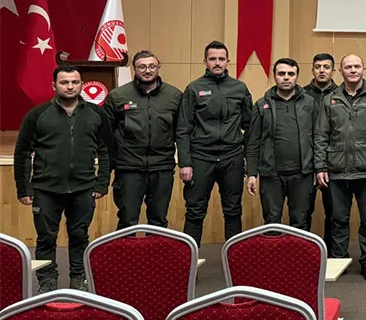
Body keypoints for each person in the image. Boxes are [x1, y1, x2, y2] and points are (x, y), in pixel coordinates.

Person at [14, 64, 112, 292]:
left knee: (79, 236)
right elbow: (22, 153)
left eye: (75, 82)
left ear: (82, 85)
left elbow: (107, 150)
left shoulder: (96, 114)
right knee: (46, 238)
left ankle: (78, 278)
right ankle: (47, 281)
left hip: (84, 188)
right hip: (45, 189)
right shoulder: (37, 115)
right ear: (54, 85)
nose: (70, 86)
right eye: (64, 82)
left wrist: (102, 183)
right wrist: (24, 188)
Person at [314, 54, 366, 282]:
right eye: (348, 67)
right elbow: (320, 135)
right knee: (338, 220)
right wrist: (320, 166)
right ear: (341, 71)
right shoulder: (330, 99)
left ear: (364, 69)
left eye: (357, 66)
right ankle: (340, 260)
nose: (353, 70)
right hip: (337, 171)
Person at [176, 41, 252, 246]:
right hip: (201, 157)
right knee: (195, 210)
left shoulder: (239, 88)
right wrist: (184, 163)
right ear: (205, 61)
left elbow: (250, 126)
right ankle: (190, 260)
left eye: (221, 59)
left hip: (232, 157)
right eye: (212, 59)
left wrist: (247, 158)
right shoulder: (194, 89)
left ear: (228, 61)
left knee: (233, 210)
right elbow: (183, 128)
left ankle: (234, 260)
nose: (217, 63)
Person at [105, 50, 181, 229]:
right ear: (134, 69)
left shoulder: (174, 96)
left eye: (152, 66)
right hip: (129, 168)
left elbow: (181, 131)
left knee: (159, 220)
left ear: (158, 67)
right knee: (127, 220)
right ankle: (124, 249)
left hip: (162, 167)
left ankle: (157, 249)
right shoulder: (118, 96)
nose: (147, 70)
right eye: (142, 67)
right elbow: (106, 135)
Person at [245, 58, 319, 231]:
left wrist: (319, 168)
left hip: (303, 174)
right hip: (271, 174)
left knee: (300, 221)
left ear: (297, 76)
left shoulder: (309, 103)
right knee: (271, 222)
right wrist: (251, 174)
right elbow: (253, 142)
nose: (286, 77)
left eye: (291, 74)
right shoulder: (262, 104)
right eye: (282, 73)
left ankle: (299, 251)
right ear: (275, 76)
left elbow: (318, 138)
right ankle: (273, 250)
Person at [304, 52, 338, 251]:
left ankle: (331, 254)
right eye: (318, 67)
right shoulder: (302, 95)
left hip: (332, 161)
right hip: (306, 161)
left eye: (326, 67)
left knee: (333, 212)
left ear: (333, 70)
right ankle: (304, 253)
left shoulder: (341, 94)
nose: (322, 71)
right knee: (304, 211)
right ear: (312, 70)